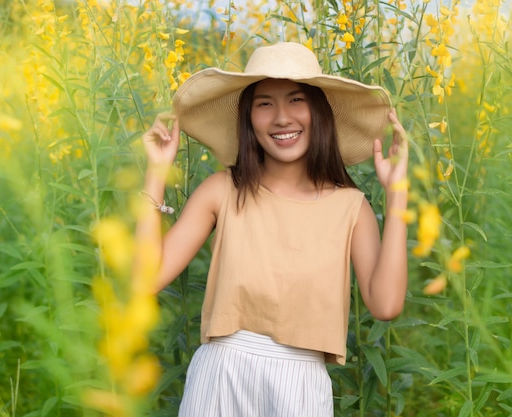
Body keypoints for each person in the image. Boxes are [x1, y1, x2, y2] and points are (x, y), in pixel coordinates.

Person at [138, 42, 408, 416]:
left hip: (301, 386)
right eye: (264, 103)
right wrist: (156, 173)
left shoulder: (351, 207)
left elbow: (386, 304)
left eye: (297, 100)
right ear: (248, 117)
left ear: (319, 112)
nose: (282, 118)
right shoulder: (223, 189)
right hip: (221, 377)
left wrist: (397, 196)